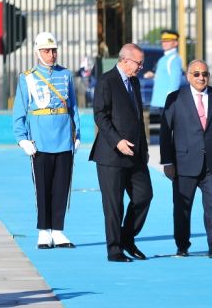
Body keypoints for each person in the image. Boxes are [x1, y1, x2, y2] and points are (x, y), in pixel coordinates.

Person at [159, 59, 212, 258]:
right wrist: (167, 161)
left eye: (205, 74)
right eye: (196, 74)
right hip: (184, 163)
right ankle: (182, 245)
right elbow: (166, 133)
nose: (201, 77)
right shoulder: (175, 98)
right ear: (188, 76)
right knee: (182, 208)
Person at [13, 31, 81, 249]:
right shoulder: (28, 77)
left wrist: (77, 134)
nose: (51, 55)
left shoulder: (66, 75)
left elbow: (73, 108)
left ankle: (58, 230)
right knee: (42, 187)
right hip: (40, 140)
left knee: (62, 186)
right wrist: (22, 139)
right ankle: (44, 231)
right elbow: (20, 111)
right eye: (46, 51)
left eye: (53, 50)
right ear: (37, 52)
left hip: (63, 138)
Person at [89, 43, 153, 263]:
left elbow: (137, 118)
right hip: (111, 155)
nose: (141, 67)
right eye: (138, 63)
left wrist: (143, 149)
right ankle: (114, 250)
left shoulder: (134, 81)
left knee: (144, 195)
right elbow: (100, 116)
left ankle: (127, 238)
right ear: (125, 60)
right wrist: (118, 142)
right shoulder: (107, 81)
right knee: (114, 204)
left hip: (135, 154)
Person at [145, 30, 185, 116]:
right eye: (163, 41)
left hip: (166, 102)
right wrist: (154, 75)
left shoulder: (174, 59)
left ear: (175, 43)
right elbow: (165, 76)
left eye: (168, 41)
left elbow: (175, 81)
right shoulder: (164, 58)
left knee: (168, 127)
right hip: (161, 101)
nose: (164, 43)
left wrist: (170, 100)